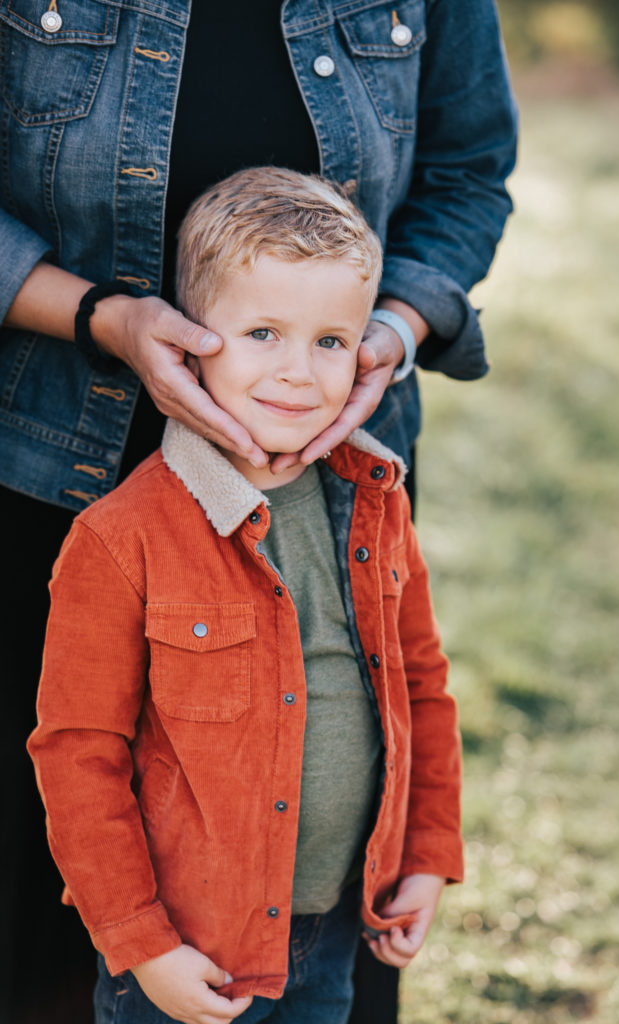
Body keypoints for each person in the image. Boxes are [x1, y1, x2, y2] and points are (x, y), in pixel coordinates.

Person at [1, 2, 516, 1020]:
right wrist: (141, 942)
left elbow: (415, 688)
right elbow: (79, 751)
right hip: (49, 452)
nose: (295, 368)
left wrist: (424, 852)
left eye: (324, 340)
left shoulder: (372, 513)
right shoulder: (117, 537)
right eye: (265, 334)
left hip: (323, 932)